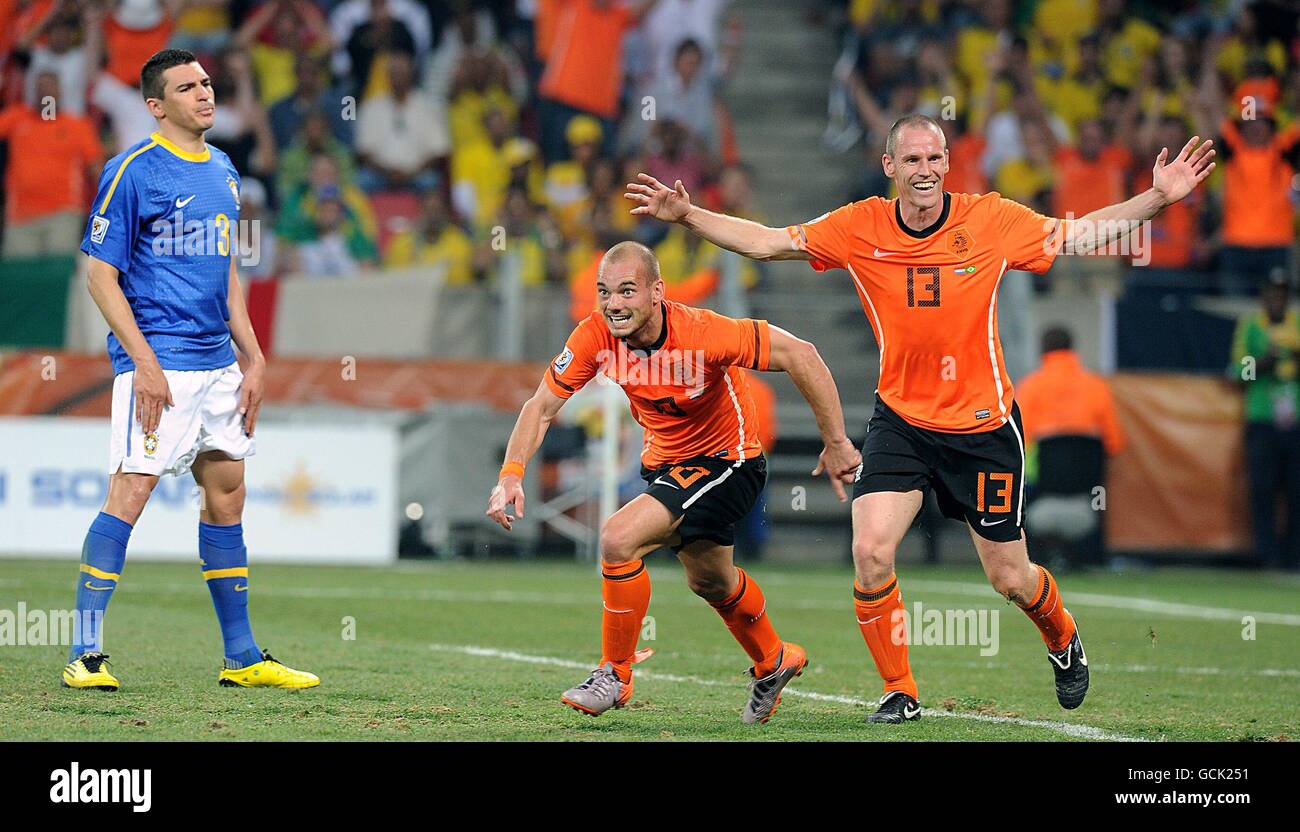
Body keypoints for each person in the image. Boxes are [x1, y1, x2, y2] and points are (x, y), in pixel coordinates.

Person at [626, 112, 1214, 722]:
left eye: (934, 159)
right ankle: (899, 690)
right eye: (912, 160)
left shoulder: (990, 220)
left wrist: (1158, 197)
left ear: (947, 164)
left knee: (1010, 578)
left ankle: (1061, 635)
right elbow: (770, 241)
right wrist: (688, 215)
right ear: (890, 167)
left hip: (983, 428)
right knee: (872, 550)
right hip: (901, 422)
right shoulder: (860, 226)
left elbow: (1079, 235)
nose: (925, 170)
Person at [486, 241, 860, 723]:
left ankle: (614, 674)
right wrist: (511, 474)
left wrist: (835, 441)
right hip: (669, 464)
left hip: (731, 461)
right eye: (605, 292)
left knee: (618, 539)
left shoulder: (704, 332)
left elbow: (801, 354)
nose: (614, 304)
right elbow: (539, 406)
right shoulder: (595, 335)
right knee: (711, 581)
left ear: (657, 292)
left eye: (627, 291)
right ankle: (775, 659)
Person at [66, 48, 318, 691]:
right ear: (157, 106)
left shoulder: (225, 170)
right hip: (160, 362)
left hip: (217, 364)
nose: (205, 94)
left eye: (207, 82)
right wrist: (144, 364)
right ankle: (85, 654)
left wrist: (253, 356)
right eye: (187, 87)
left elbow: (227, 271)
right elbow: (99, 274)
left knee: (228, 492)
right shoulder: (132, 171)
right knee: (131, 491)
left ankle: (242, 657)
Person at [1016, 326, 1126, 569]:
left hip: (1040, 489)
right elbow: (1115, 444)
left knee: (1021, 476)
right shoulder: (1096, 386)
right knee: (1102, 490)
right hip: (1088, 492)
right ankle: (1095, 555)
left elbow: (1018, 440)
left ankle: (1029, 557)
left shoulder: (1032, 386)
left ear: (1043, 349)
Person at [1230, 270, 1300, 570]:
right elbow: (1237, 374)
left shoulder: (1297, 325)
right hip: (1261, 418)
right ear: (1264, 297)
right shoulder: (1250, 327)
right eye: (1272, 293)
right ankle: (1267, 556)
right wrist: (1263, 362)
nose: (1277, 299)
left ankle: (1294, 556)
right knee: (1263, 490)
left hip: (1294, 421)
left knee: (1296, 491)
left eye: (1282, 293)